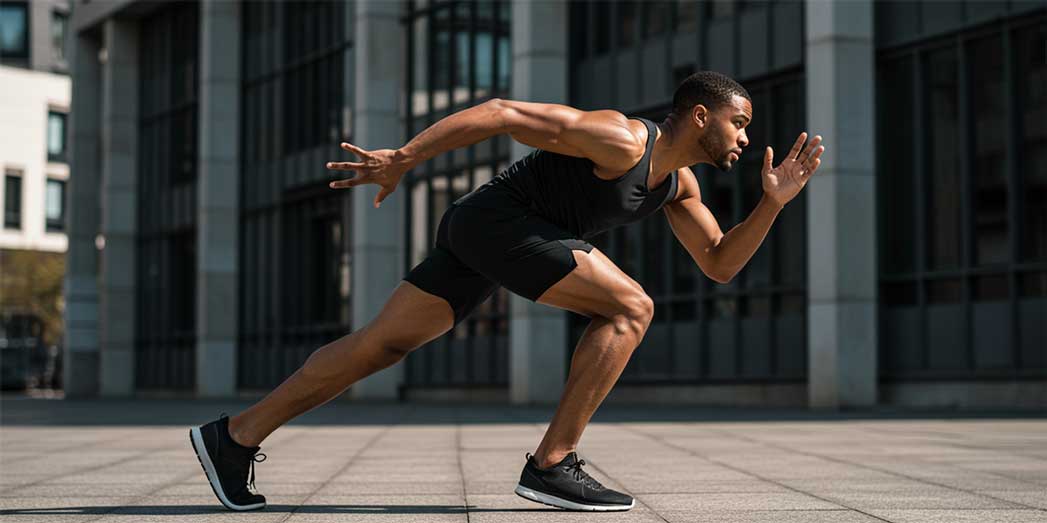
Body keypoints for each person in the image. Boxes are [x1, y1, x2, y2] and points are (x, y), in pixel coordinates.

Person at [189, 71, 824, 512]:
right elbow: (502, 114)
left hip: (492, 236)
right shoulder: (623, 139)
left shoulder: (678, 185)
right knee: (633, 306)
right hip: (498, 221)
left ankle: (236, 436)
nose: (745, 138)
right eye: (740, 124)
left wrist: (771, 205)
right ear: (699, 116)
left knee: (380, 346)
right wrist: (406, 157)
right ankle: (553, 464)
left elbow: (718, 264)